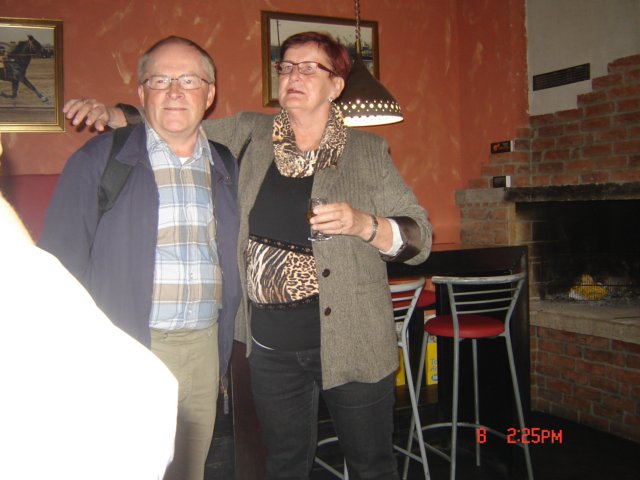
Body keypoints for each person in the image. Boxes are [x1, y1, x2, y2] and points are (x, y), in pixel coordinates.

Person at [65, 31, 432, 480]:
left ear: (336, 86)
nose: (293, 75)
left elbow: (420, 238)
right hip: (271, 347)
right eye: (286, 67)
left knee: (371, 466)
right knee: (283, 465)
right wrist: (117, 114)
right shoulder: (250, 133)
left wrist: (365, 225)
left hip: (352, 340)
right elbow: (178, 119)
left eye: (309, 68)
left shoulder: (368, 153)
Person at [39, 37, 240, 480]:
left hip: (204, 348)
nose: (174, 91)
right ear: (141, 92)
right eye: (160, 80)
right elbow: (55, 271)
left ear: (209, 94)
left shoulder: (225, 164)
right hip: (127, 349)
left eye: (189, 80)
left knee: (188, 470)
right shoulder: (99, 160)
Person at [0, 135, 178, 480]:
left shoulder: (220, 154)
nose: (175, 101)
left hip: (201, 341)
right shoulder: (98, 157)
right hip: (125, 330)